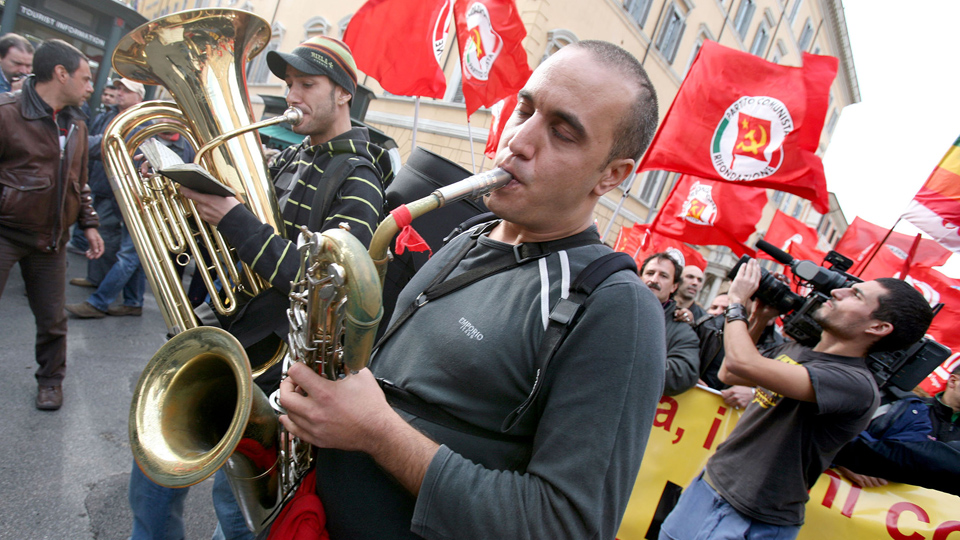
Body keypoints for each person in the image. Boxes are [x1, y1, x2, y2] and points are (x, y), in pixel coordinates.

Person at [275, 40, 664, 539]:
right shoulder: (471, 233)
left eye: (563, 134)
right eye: (524, 109)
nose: (519, 140)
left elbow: (566, 526)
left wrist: (377, 432)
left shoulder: (618, 308)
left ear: (612, 175)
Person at [128, 36, 395, 540]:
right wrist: (187, 200)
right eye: (289, 83)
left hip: (276, 365)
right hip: (231, 333)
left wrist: (232, 218)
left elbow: (324, 287)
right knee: (152, 472)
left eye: (307, 84)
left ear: (344, 94)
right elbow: (243, 249)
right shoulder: (293, 159)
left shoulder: (360, 177)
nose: (292, 94)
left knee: (237, 512)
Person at [659, 260, 935, 540]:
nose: (838, 293)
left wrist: (736, 301)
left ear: (878, 327)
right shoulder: (800, 349)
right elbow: (730, 371)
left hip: (751, 518)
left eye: (856, 295)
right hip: (710, 486)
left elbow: (744, 363)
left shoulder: (855, 384)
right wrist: (759, 319)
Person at [0, 39, 101, 411]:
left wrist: (88, 223)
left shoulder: (76, 120)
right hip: (5, 233)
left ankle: (50, 382)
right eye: (85, 78)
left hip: (53, 240)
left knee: (53, 321)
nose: (91, 86)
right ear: (61, 74)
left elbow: (80, 178)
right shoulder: (6, 112)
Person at [66, 129, 195, 319]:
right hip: (135, 204)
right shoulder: (143, 135)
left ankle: (98, 303)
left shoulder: (187, 147)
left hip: (157, 211)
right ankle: (133, 303)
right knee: (134, 257)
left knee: (129, 256)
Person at [833, 364, 960, 495]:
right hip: (840, 496)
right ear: (953, 381)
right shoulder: (903, 405)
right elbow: (835, 427)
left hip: (911, 511)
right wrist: (840, 457)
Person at [67, 78, 144, 282]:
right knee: (102, 233)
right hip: (99, 184)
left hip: (115, 190)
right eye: (119, 89)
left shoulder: (139, 121)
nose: (120, 93)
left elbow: (105, 145)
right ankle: (95, 278)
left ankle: (98, 281)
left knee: (107, 236)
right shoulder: (108, 115)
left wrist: (73, 143)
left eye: (126, 90)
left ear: (139, 97)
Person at [641, 252, 702, 396]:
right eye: (650, 273)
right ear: (640, 277)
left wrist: (627, 360)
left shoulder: (682, 331)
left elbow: (683, 374)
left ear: (674, 286)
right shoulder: (614, 307)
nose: (654, 280)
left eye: (663, 276)